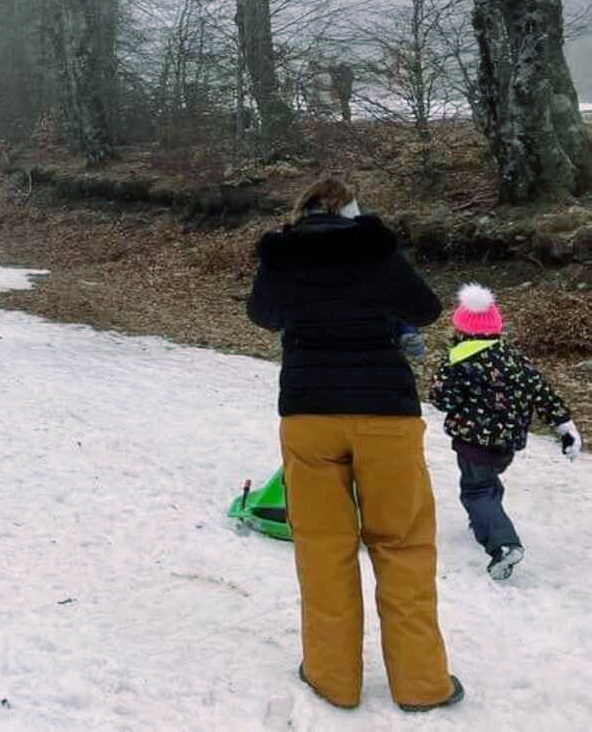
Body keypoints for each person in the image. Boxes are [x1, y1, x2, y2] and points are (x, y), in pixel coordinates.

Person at [247, 177, 460, 713]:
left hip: (308, 413)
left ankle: (332, 679)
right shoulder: (376, 249)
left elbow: (263, 315)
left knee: (323, 548)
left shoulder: (282, 253)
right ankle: (422, 684)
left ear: (302, 211)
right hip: (386, 414)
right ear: (354, 210)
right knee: (403, 545)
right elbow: (427, 308)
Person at [426, 283, 581, 582]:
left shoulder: (457, 359)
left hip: (474, 442)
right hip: (508, 444)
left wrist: (445, 389)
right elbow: (541, 390)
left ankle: (503, 545)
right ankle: (485, 521)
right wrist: (564, 426)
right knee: (487, 485)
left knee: (477, 490)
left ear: (461, 328)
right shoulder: (513, 357)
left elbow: (443, 399)